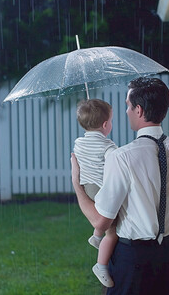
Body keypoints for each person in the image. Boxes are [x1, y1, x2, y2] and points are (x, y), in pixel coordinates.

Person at [71, 77, 169, 295]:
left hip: (132, 259)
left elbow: (101, 220)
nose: (126, 112)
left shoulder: (122, 158)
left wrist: (76, 182)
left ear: (138, 110)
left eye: (127, 106)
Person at [73, 98, 118, 288]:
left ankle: (97, 235)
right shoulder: (108, 146)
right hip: (101, 188)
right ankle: (100, 264)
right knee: (113, 232)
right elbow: (116, 164)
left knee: (106, 225)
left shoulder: (78, 144)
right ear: (106, 124)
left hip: (87, 187)